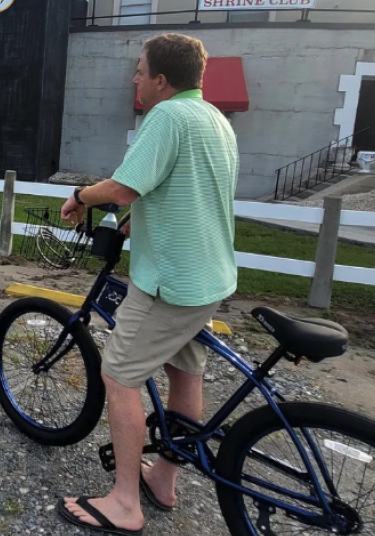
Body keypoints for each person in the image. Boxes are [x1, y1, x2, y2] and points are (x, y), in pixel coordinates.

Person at [57, 33, 238, 535]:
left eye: (140, 70)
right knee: (186, 373)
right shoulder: (215, 120)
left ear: (162, 79)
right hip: (209, 277)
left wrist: (80, 196)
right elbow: (184, 189)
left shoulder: (168, 116)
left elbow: (121, 187)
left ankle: (124, 502)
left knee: (119, 376)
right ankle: (163, 478)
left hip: (170, 281)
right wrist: (134, 220)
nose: (135, 78)